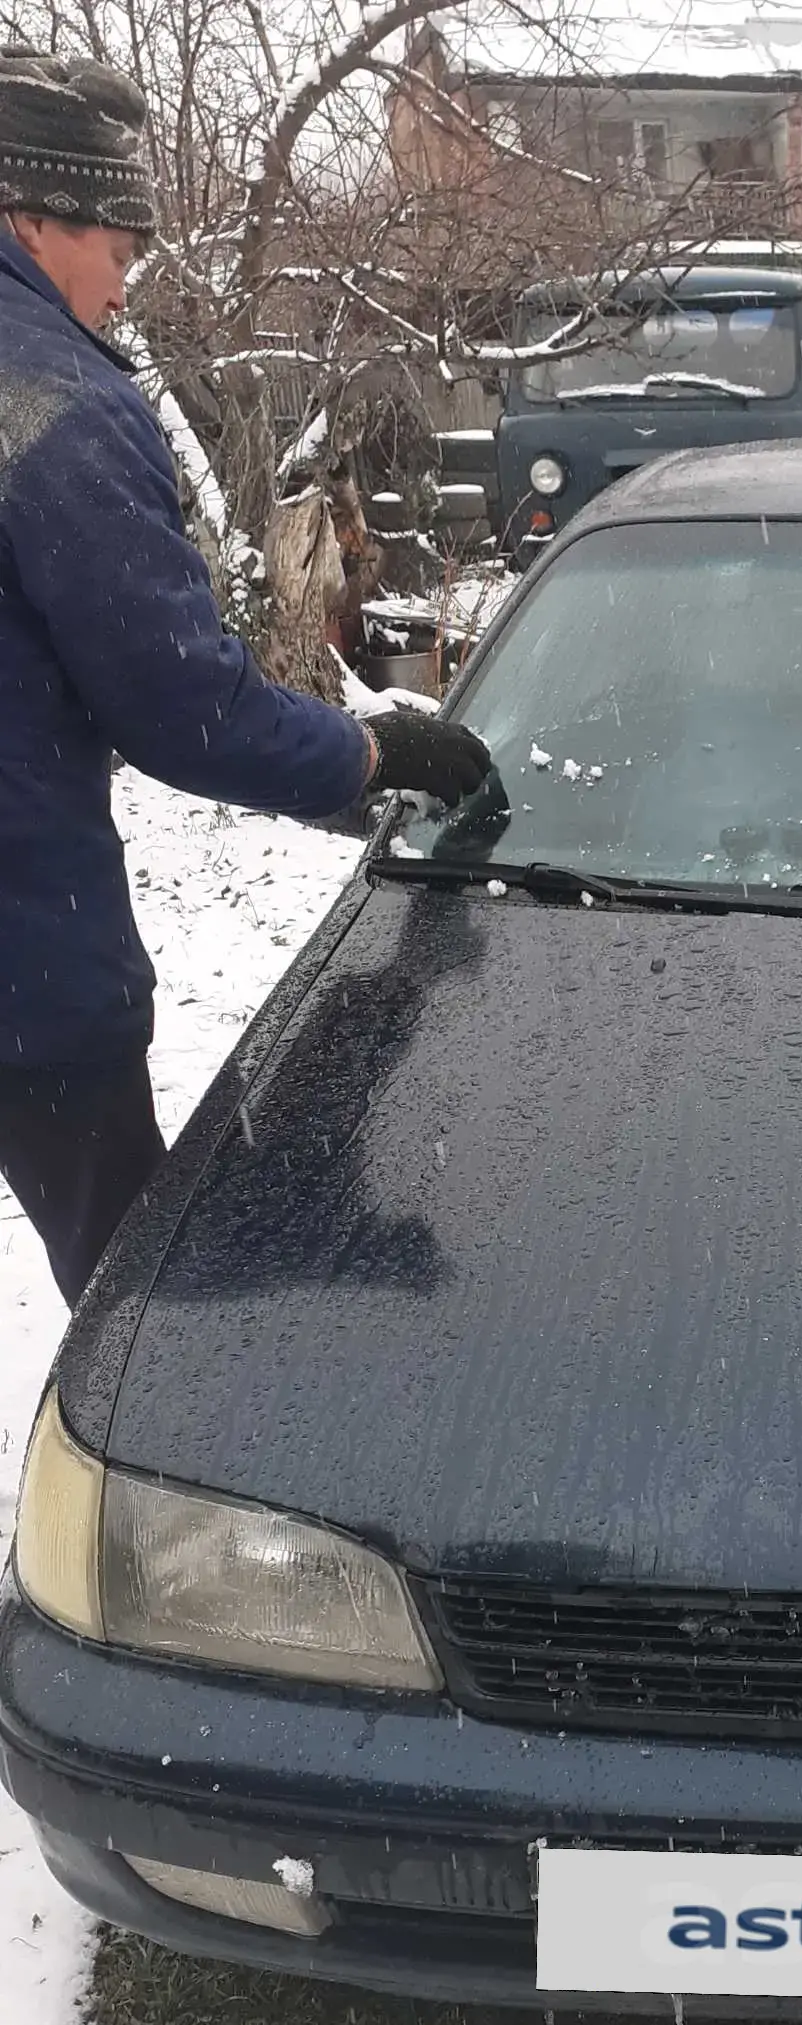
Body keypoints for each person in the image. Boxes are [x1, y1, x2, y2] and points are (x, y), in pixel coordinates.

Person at [0, 50, 490, 1306]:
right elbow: (184, 707)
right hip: (24, 969)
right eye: (119, 246)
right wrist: (378, 756)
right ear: (33, 213)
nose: (121, 286)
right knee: (135, 1297)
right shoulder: (47, 400)